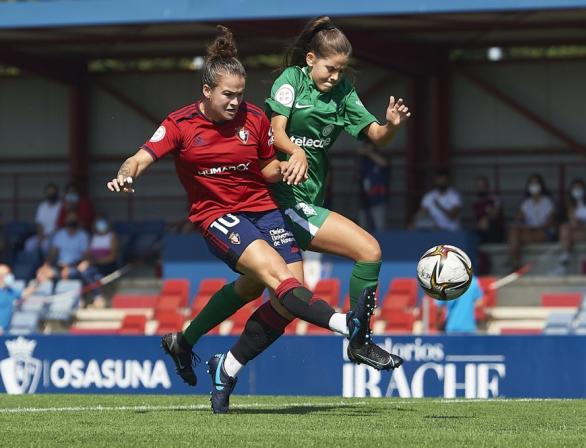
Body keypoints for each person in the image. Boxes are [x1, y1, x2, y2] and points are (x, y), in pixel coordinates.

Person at [106, 26, 401, 414]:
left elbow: (265, 169)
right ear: (207, 91)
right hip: (219, 216)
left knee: (279, 296)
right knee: (281, 280)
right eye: (228, 94)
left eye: (240, 94)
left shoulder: (253, 118)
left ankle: (220, 364)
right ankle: (351, 328)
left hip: (263, 208)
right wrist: (127, 174)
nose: (235, 102)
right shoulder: (180, 124)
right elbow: (141, 156)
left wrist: (288, 165)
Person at [508, 174, 556, 270]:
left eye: (536, 183)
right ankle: (515, 263)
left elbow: (549, 223)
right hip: (529, 231)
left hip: (544, 232)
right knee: (513, 233)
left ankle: (514, 262)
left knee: (517, 239)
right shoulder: (526, 203)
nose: (534, 186)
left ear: (541, 185)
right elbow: (518, 220)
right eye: (531, 183)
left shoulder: (548, 202)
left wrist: (533, 228)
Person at [556, 179, 586, 272]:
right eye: (574, 188)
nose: (577, 190)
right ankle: (565, 258)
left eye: (579, 188)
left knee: (567, 237)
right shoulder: (572, 206)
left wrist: (585, 226)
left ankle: (564, 260)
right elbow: (573, 222)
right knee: (564, 228)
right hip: (578, 231)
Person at [41, 211, 90, 280]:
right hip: (61, 266)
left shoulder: (83, 235)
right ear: (65, 221)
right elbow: (53, 254)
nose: (71, 222)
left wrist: (84, 263)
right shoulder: (60, 234)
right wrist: (46, 265)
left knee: (84, 271)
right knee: (44, 273)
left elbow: (86, 255)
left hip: (75, 266)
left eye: (73, 219)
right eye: (70, 220)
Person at [357, 138, 390, 231]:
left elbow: (384, 163)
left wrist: (368, 153)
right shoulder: (363, 160)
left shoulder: (380, 156)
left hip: (379, 198)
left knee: (380, 228)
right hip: (364, 199)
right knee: (362, 229)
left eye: (369, 146)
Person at [25, 183, 62, 255]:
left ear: (57, 193)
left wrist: (47, 236)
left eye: (53, 193)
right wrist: (40, 235)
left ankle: (46, 264)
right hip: (42, 235)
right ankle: (33, 264)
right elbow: (39, 223)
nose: (51, 195)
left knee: (45, 245)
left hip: (54, 236)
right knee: (29, 244)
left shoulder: (61, 206)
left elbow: (60, 226)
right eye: (49, 193)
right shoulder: (42, 206)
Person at [472, 176, 503, 243]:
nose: (480, 188)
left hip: (495, 229)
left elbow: (496, 214)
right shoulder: (475, 201)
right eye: (478, 186)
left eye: (482, 185)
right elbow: (476, 218)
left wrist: (486, 218)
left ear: (487, 187)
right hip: (480, 229)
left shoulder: (495, 198)